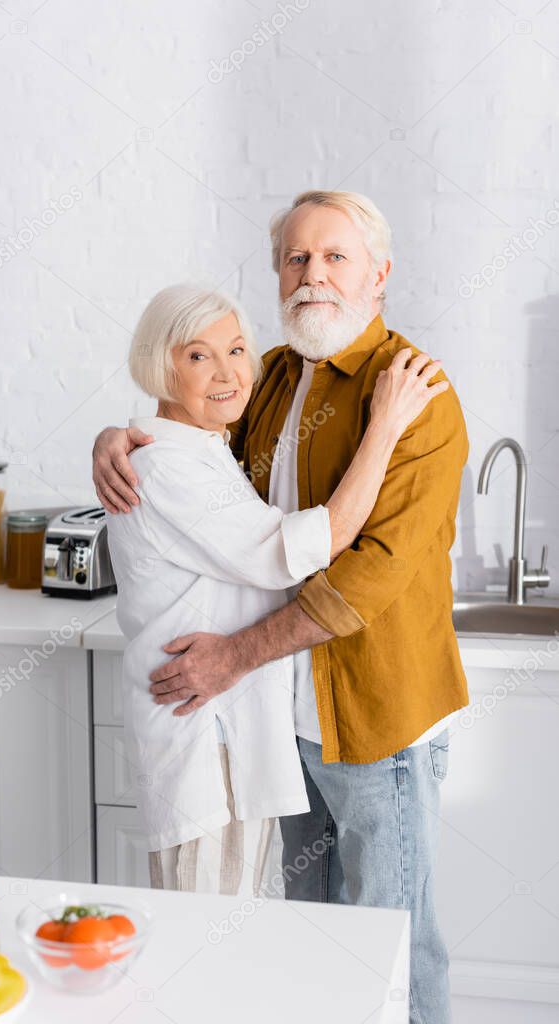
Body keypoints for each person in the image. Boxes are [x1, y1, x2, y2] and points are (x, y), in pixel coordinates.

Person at [93, 191, 469, 1024]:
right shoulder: (269, 379)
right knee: (315, 944)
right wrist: (120, 436)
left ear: (379, 274)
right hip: (288, 724)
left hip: (372, 720)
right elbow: (193, 448)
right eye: (295, 259)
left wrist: (235, 655)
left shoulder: (411, 392)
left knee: (396, 942)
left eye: (335, 257)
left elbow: (367, 570)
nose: (313, 276)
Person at [105, 280, 447, 901]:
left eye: (236, 350)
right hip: (201, 740)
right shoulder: (167, 467)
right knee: (202, 949)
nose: (229, 372)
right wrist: (387, 424)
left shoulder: (205, 449)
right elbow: (306, 545)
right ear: (160, 365)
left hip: (233, 739)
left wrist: (113, 434)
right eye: (197, 355)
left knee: (246, 942)